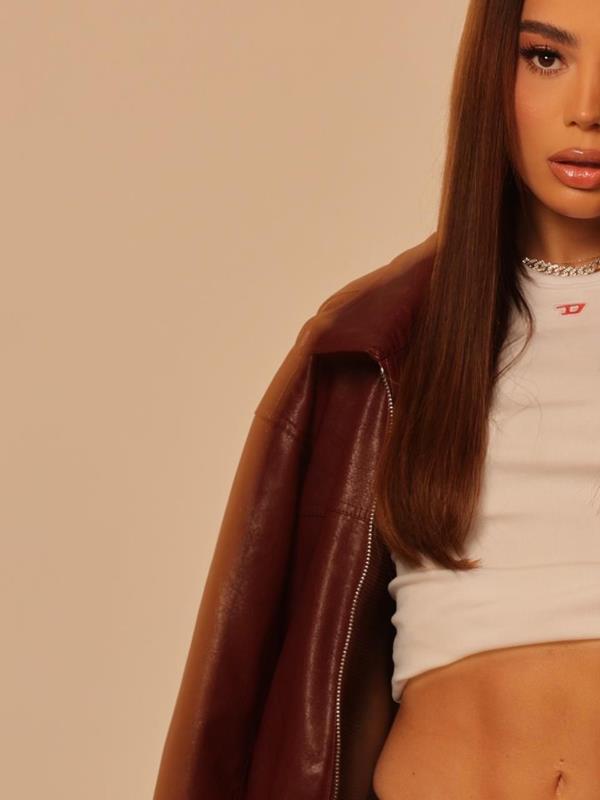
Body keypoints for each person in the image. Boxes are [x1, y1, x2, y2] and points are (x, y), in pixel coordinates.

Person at [153, 0, 600, 798]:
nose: (588, 107)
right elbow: (242, 682)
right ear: (491, 71)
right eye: (545, 58)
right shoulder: (372, 345)